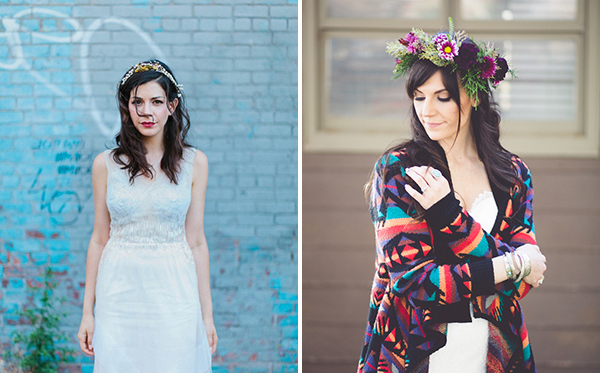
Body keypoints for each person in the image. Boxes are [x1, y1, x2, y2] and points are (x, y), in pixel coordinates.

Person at [358, 19, 547, 373]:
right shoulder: (401, 170)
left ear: (473, 96)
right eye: (419, 97)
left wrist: (449, 216)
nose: (427, 110)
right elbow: (412, 283)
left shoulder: (513, 174)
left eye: (442, 97)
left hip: (492, 346)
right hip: (413, 348)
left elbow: (521, 285)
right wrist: (511, 264)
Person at [76, 60, 217, 372]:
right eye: (137, 102)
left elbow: (196, 242)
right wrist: (88, 311)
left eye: (156, 102)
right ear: (127, 108)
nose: (146, 112)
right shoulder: (106, 164)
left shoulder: (196, 163)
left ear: (171, 106)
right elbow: (100, 239)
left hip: (173, 290)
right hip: (119, 292)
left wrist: (207, 315)